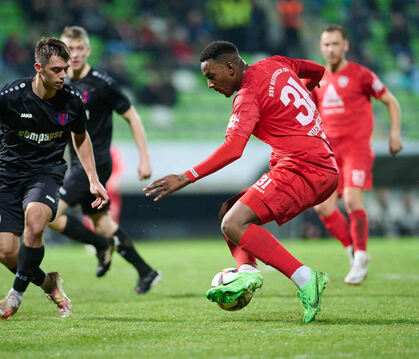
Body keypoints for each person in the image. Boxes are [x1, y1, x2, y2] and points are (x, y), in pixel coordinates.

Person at [144, 41, 339, 323]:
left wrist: (185, 177)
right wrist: (310, 91)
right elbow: (318, 70)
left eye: (211, 77)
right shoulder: (276, 63)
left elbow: (233, 148)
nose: (210, 85)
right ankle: (247, 272)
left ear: (231, 68)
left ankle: (306, 278)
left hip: (303, 168)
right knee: (229, 211)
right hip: (317, 165)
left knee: (232, 224)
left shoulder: (248, 95)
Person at [0, 37, 109, 320]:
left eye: (66, 69)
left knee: (35, 223)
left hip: (45, 173)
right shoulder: (10, 97)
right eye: (57, 70)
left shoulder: (72, 101)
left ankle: (15, 294)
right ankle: (49, 283)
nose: (63, 76)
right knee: (6, 252)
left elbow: (81, 139)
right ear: (38, 68)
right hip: (7, 175)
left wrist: (93, 180)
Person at [47, 26, 160, 294]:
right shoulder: (60, 83)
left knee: (48, 213)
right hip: (77, 164)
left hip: (96, 163)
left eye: (78, 49)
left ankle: (100, 245)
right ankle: (146, 272)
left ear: (87, 50)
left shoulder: (102, 83)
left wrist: (144, 159)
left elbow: (132, 116)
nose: (73, 54)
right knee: (102, 223)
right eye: (68, 49)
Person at [311, 25, 402, 285]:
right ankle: (353, 249)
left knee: (352, 199)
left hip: (356, 149)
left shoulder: (361, 75)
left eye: (336, 44)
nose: (331, 49)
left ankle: (361, 255)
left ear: (346, 46)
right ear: (321, 47)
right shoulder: (317, 79)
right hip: (330, 153)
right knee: (323, 207)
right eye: (326, 44)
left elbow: (391, 102)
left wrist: (394, 134)